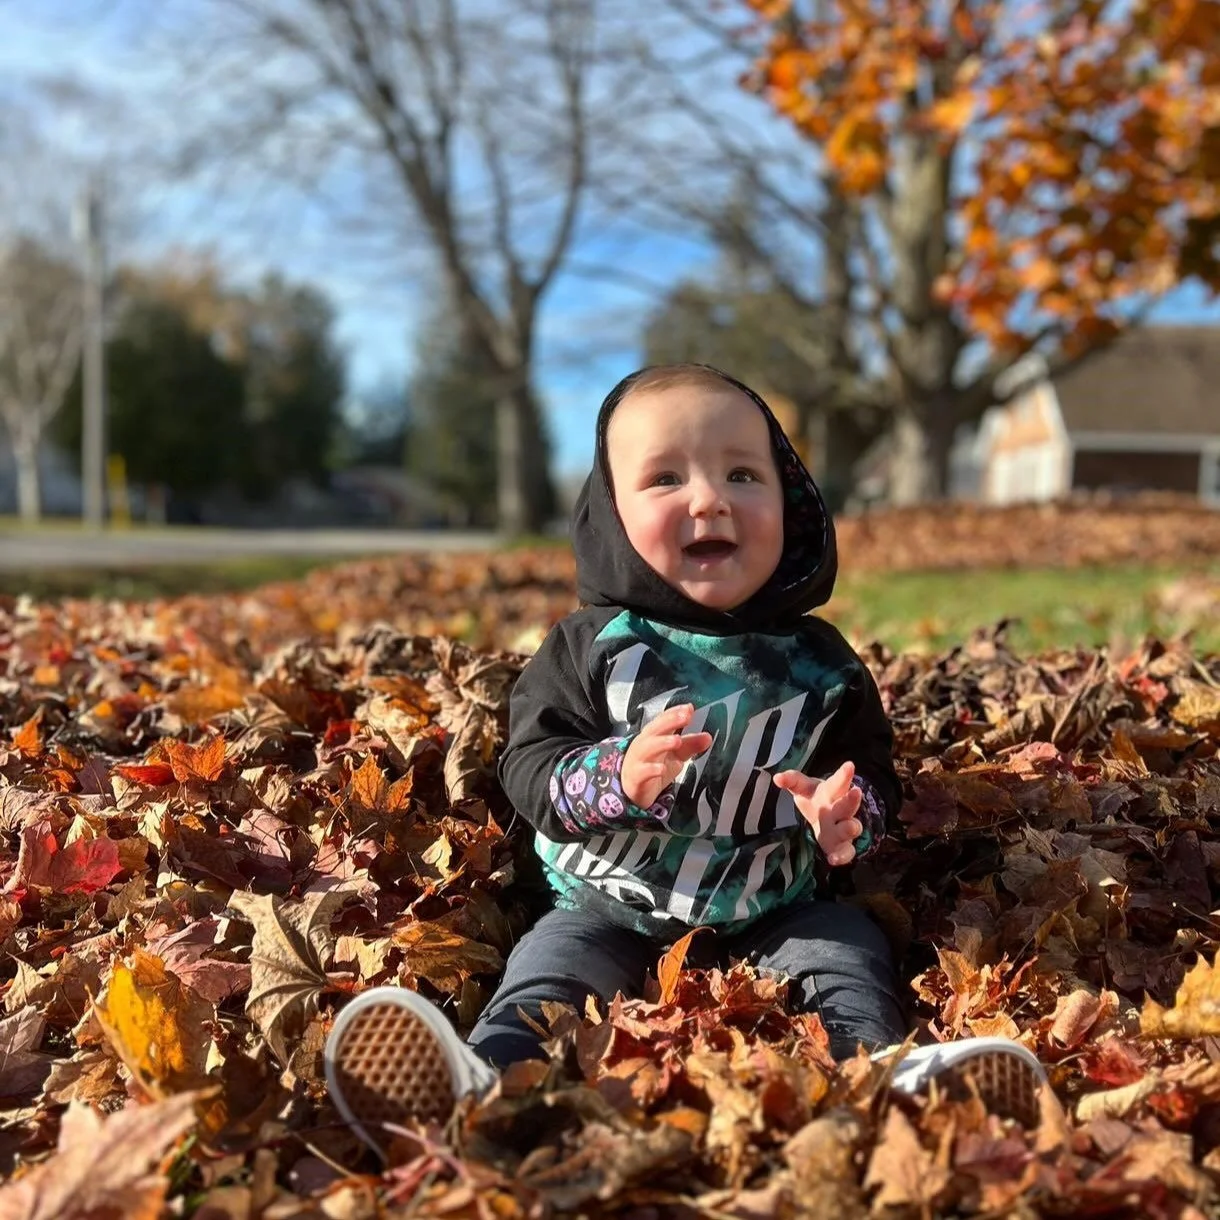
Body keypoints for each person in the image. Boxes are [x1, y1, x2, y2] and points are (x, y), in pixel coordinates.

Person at [323, 364, 1049, 1157]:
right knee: (547, 975)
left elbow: (872, 773)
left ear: (791, 500)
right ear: (611, 513)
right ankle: (481, 1087)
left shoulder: (823, 664)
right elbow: (528, 767)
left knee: (846, 948)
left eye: (743, 472)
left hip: (771, 905)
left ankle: (878, 1078)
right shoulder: (590, 646)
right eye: (665, 478)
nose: (711, 498)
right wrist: (614, 776)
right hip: (604, 900)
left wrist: (851, 816)